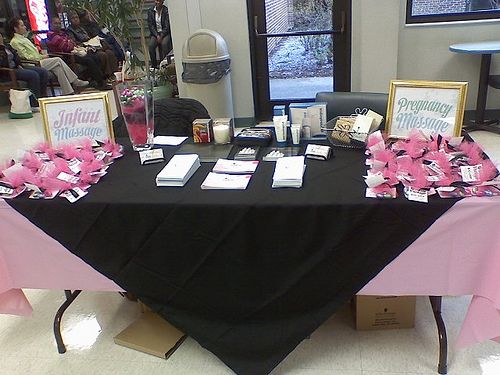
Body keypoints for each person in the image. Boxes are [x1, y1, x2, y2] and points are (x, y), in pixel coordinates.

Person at [7, 17, 88, 95]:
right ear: (15, 28)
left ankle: (68, 91)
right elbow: (26, 57)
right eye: (22, 25)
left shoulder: (24, 38)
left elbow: (35, 53)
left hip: (39, 60)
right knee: (57, 59)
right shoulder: (15, 42)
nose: (25, 27)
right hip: (32, 64)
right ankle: (75, 80)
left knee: (58, 67)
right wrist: (42, 57)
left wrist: (42, 56)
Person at [46, 17, 112, 90]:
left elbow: (72, 42)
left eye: (59, 23)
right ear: (51, 24)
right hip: (65, 56)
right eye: (55, 23)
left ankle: (97, 80)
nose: (58, 25)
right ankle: (101, 84)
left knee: (95, 56)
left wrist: (70, 43)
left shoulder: (61, 33)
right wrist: (70, 43)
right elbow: (66, 47)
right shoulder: (52, 35)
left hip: (73, 53)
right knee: (89, 60)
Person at [0, 32, 48, 109]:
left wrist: (18, 64)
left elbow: (16, 55)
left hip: (17, 67)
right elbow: (3, 63)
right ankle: (34, 104)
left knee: (43, 71)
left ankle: (42, 99)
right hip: (7, 72)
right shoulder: (2, 48)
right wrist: (1, 47)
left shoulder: (7, 46)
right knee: (33, 75)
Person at [67, 11, 118, 79]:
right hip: (85, 49)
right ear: (70, 20)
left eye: (76, 17)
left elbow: (90, 36)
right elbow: (75, 43)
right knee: (102, 55)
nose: (75, 19)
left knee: (110, 52)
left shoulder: (81, 27)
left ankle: (113, 74)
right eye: (73, 18)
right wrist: (87, 43)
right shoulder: (70, 30)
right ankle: (105, 76)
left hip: (93, 45)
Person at [147, 0, 172, 69]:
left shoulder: (166, 11)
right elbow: (151, 26)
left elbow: (167, 26)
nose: (157, 2)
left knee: (165, 44)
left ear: (162, 2)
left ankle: (166, 65)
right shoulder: (150, 11)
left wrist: (161, 35)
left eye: (159, 1)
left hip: (165, 33)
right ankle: (154, 66)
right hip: (155, 34)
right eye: (156, 0)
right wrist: (157, 35)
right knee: (151, 46)